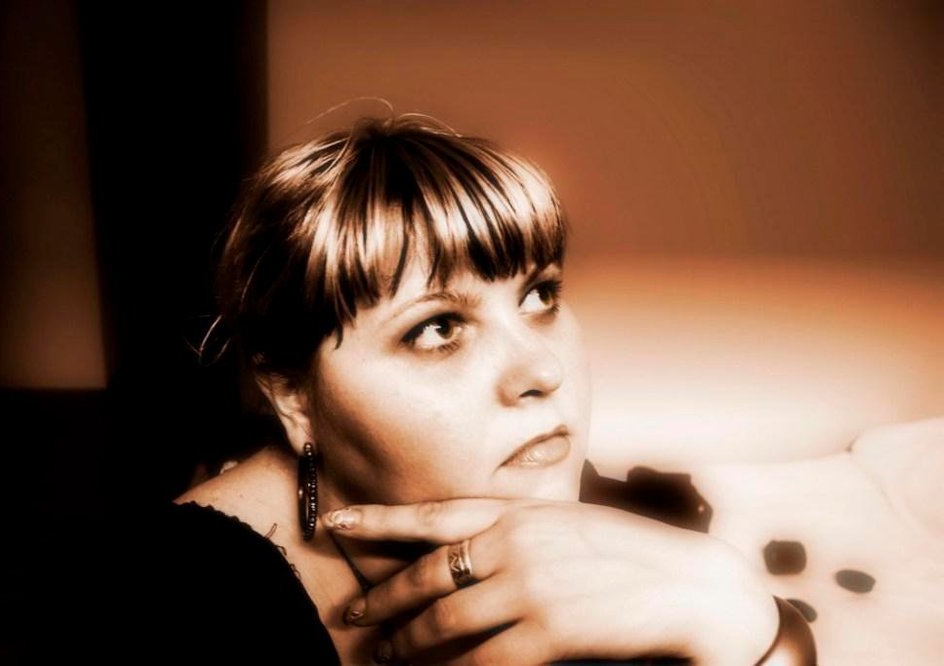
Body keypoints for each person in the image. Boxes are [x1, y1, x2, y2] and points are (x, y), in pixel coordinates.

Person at [65, 115, 815, 665]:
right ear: (292, 393)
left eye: (540, 296)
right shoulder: (176, 605)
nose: (543, 372)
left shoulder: (618, 527)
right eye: (437, 329)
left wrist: (749, 622)